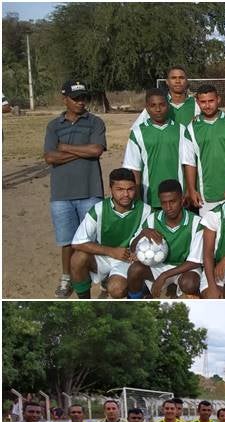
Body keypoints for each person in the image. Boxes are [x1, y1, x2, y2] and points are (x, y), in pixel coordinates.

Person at [45, 79, 106, 298]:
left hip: (90, 191)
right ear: (65, 99)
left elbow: (96, 150)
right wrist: (82, 151)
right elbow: (50, 156)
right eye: (76, 98)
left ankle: (102, 276)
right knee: (67, 241)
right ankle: (67, 277)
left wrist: (66, 148)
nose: (81, 102)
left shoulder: (95, 122)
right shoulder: (54, 126)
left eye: (84, 98)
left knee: (93, 240)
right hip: (61, 194)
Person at [68, 168, 151, 299]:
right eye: (120, 190)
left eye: (130, 189)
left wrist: (140, 254)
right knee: (77, 258)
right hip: (104, 256)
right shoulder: (99, 209)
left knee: (116, 290)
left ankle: (136, 288)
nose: (126, 194)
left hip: (127, 260)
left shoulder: (146, 211)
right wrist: (112, 251)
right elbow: (77, 242)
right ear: (110, 189)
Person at [125, 180, 205, 299]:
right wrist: (142, 233)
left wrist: (164, 276)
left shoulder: (196, 222)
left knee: (190, 283)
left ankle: (190, 295)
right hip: (159, 266)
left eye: (172, 202)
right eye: (164, 203)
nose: (168, 207)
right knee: (134, 270)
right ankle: (135, 300)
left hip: (185, 268)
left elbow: (196, 261)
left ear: (182, 200)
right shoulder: (152, 219)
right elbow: (132, 248)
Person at [181, 84, 225, 215]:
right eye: (203, 102)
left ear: (218, 99)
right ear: (197, 102)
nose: (207, 105)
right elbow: (190, 162)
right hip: (207, 194)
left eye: (211, 101)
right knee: (211, 232)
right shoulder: (191, 128)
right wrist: (191, 189)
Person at [124, 88, 184, 208]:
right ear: (146, 108)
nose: (158, 109)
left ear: (168, 105)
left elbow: (188, 164)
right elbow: (134, 168)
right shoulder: (137, 132)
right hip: (150, 198)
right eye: (153, 105)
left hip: (178, 197)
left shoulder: (181, 130)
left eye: (162, 105)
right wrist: (137, 196)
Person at [132, 66, 199, 127]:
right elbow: (136, 129)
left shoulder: (197, 103)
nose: (178, 81)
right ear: (167, 82)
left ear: (187, 81)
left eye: (181, 78)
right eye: (173, 78)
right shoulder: (157, 104)